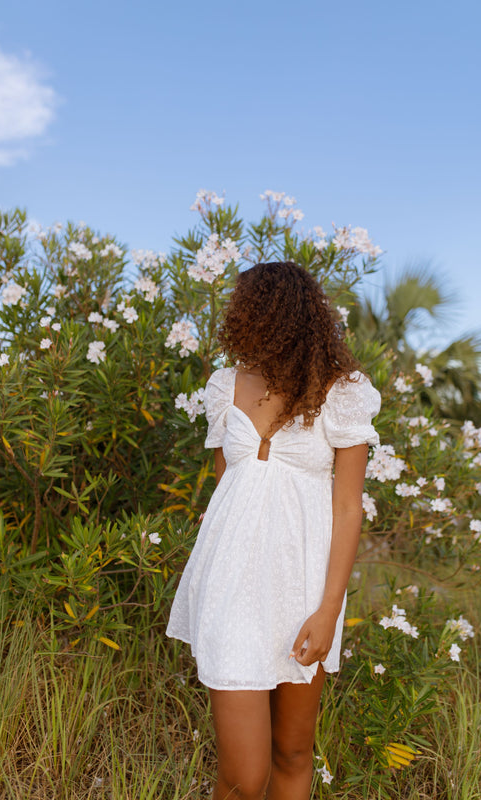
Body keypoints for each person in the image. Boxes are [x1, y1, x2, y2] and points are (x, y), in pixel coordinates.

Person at [166, 261, 381, 800]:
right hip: (231, 588)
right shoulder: (223, 386)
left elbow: (349, 507)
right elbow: (229, 489)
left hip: (304, 589)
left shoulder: (342, 390)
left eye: (252, 310)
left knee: (292, 753)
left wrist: (329, 610)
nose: (245, 321)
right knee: (243, 777)